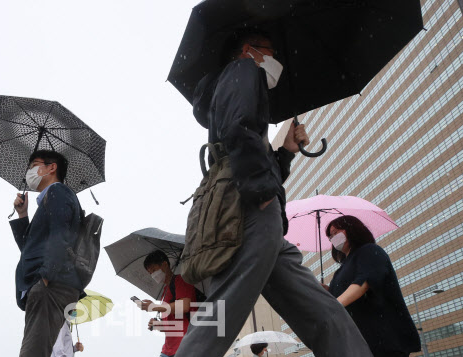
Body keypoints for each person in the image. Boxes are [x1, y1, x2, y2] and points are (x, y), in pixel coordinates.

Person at [174, 29, 374, 357]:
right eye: (271, 52)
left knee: (319, 309)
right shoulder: (243, 71)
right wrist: (262, 192)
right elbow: (239, 131)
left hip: (251, 206)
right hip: (249, 207)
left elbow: (244, 146)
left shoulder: (233, 86)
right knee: (226, 304)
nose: (276, 60)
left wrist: (287, 151)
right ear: (250, 50)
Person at [11, 150, 83, 357]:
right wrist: (23, 214)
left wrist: (46, 276)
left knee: (33, 352)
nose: (29, 171)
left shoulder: (57, 192)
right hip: (47, 284)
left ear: (52, 168)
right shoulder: (50, 198)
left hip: (49, 285)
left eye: (34, 164)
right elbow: (29, 250)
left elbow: (62, 234)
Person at [325, 215, 421, 357]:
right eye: (331, 236)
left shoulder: (369, 251)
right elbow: (336, 293)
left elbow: (364, 282)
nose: (334, 238)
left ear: (353, 229)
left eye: (337, 232)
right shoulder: (342, 268)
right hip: (359, 341)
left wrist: (334, 306)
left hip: (382, 338)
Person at [139, 250, 197, 357]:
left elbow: (184, 306)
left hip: (184, 347)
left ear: (165, 265)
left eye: (154, 270)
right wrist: (158, 326)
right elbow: (174, 326)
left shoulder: (181, 280)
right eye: (150, 273)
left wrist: (155, 307)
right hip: (167, 351)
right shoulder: (165, 292)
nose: (153, 275)